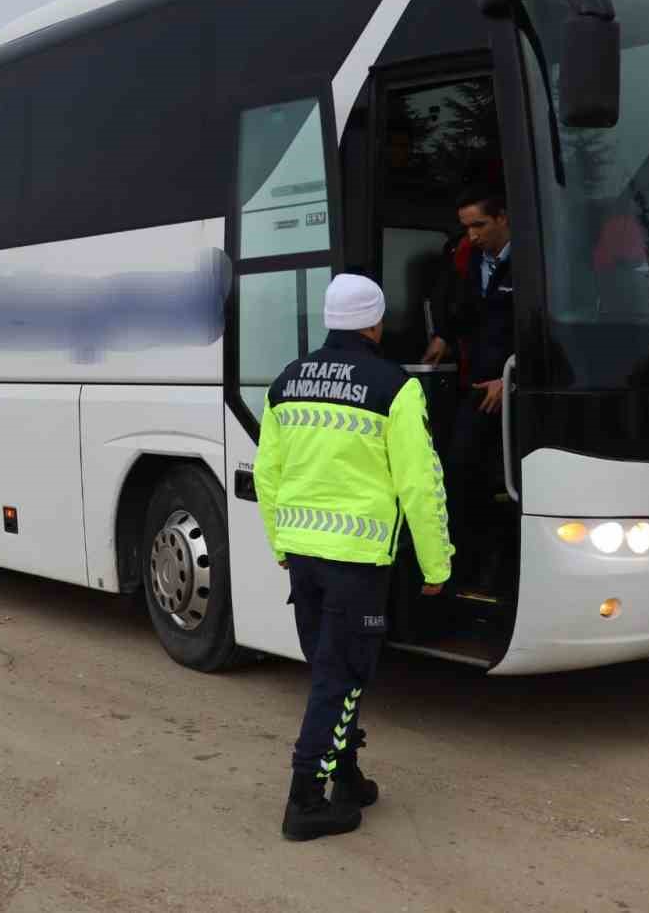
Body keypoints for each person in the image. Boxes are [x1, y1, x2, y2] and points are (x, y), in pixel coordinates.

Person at [254, 273, 454, 842]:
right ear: (375, 322)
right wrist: (437, 566)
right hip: (357, 560)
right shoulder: (394, 387)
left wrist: (280, 545)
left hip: (303, 555)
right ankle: (305, 799)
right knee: (342, 675)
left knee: (329, 668)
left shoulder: (286, 381)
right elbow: (421, 486)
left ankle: (345, 776)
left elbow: (267, 475)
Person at [422, 188, 515, 591]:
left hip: (516, 389)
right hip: (476, 387)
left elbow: (546, 326)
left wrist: (512, 376)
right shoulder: (466, 259)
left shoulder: (535, 261)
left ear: (504, 219)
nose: (472, 235)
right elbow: (457, 308)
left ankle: (505, 570)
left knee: (513, 484)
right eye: (466, 227)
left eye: (479, 225)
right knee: (458, 474)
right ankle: (467, 571)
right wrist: (442, 336)